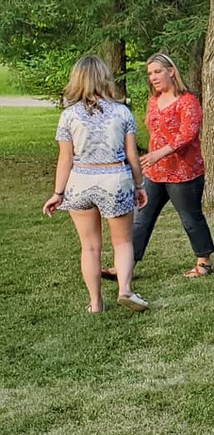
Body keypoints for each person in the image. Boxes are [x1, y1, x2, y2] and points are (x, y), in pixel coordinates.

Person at [44, 56, 149, 313]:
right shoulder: (122, 112)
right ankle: (125, 290)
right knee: (122, 242)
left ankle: (95, 303)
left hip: (80, 180)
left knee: (90, 246)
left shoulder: (68, 116)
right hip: (114, 178)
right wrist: (140, 185)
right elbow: (132, 155)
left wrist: (58, 193)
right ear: (104, 79)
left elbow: (65, 158)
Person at [101, 53, 214, 281]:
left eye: (157, 71)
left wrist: (159, 153)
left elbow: (188, 134)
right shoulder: (153, 101)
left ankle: (204, 261)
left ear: (170, 71)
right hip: (155, 173)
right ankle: (125, 266)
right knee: (141, 219)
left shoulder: (187, 101)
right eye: (150, 73)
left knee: (190, 218)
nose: (153, 77)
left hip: (183, 173)